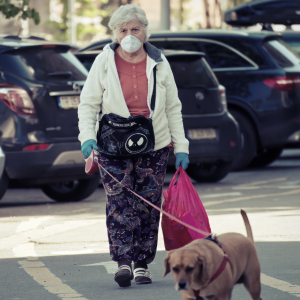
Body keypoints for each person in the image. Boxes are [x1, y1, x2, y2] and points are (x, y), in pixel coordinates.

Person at [78, 4, 189, 288]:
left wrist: (182, 147)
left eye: (134, 29)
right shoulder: (104, 62)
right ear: (115, 33)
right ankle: (123, 261)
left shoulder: (160, 62)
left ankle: (142, 264)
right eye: (123, 30)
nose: (129, 34)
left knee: (148, 203)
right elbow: (89, 103)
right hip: (112, 143)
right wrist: (87, 137)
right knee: (119, 202)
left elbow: (174, 107)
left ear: (144, 31)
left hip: (155, 143)